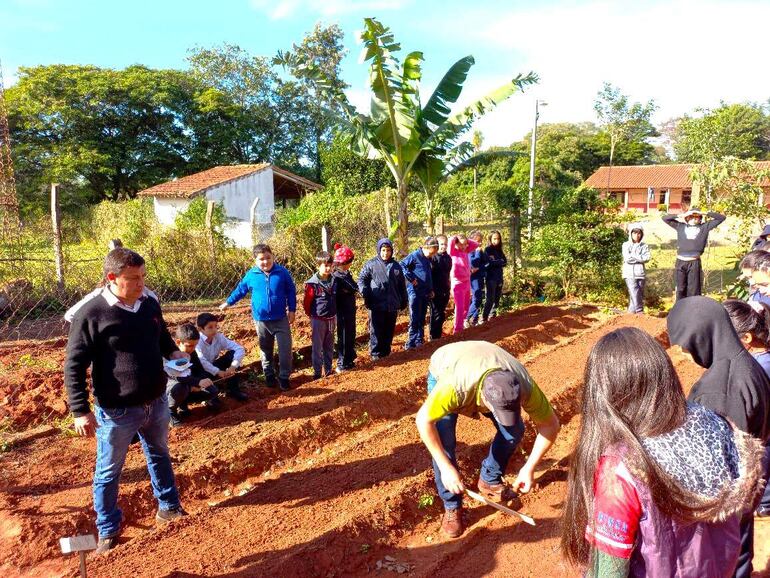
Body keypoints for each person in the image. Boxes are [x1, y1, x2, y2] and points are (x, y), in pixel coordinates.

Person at [561, 327, 765, 578]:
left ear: (604, 391)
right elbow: (748, 491)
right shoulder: (714, 423)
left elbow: (608, 571)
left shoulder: (623, 465)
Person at [64, 248, 187, 554]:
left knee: (159, 454)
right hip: (117, 409)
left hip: (156, 400)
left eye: (143, 276)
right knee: (108, 471)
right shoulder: (91, 313)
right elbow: (74, 365)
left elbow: (161, 337)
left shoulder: (148, 303)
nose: (140, 283)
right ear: (112, 278)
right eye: (133, 278)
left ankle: (169, 507)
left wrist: (173, 353)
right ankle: (108, 528)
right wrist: (80, 410)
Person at [667, 296, 770, 578]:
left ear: (703, 335)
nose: (685, 355)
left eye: (685, 345)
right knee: (740, 552)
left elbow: (712, 463)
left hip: (724, 505)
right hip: (746, 488)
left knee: (725, 561)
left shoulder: (720, 390)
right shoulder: (747, 364)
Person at [415, 340, 560, 538]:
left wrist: (529, 468)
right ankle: (452, 505)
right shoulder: (453, 388)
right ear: (483, 400)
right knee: (444, 440)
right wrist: (446, 468)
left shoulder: (523, 384)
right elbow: (424, 421)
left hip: (486, 360)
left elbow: (550, 425)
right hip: (447, 364)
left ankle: (489, 479)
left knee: (514, 429)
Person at [220, 244, 296, 392]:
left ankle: (284, 377)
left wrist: (292, 310)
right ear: (255, 260)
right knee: (265, 349)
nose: (266, 262)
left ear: (273, 257)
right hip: (261, 320)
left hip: (280, 319)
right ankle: (269, 375)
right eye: (261, 259)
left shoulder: (282, 272)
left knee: (285, 349)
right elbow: (240, 290)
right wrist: (228, 302)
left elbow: (291, 291)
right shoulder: (251, 275)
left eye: (268, 258)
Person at [723, 299, 770, 520]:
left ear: (746, 338)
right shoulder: (762, 360)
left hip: (761, 442)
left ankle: (765, 504)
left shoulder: (756, 369)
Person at [358, 238, 408, 360]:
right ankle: (375, 354)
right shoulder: (371, 264)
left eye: (388, 250)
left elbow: (401, 285)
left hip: (392, 304)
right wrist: (365, 293)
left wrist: (403, 300)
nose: (386, 253)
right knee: (376, 330)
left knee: (389, 330)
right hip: (376, 304)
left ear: (392, 251)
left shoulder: (396, 266)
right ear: (379, 250)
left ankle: (386, 353)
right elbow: (362, 280)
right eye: (383, 250)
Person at [662, 207, 725, 300]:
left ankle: (693, 310)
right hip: (680, 262)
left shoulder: (705, 227)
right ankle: (680, 310)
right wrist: (682, 215)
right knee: (680, 289)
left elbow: (721, 218)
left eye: (697, 216)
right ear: (687, 218)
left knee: (694, 289)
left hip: (694, 262)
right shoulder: (681, 226)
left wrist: (705, 213)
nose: (694, 218)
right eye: (692, 216)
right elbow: (665, 218)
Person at [167, 323, 221, 426]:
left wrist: (202, 381)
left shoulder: (191, 352)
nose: (193, 348)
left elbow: (199, 369)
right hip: (170, 389)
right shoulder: (170, 354)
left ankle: (184, 405)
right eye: (190, 346)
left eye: (195, 345)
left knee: (212, 390)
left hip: (188, 386)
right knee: (180, 388)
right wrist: (197, 382)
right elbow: (178, 377)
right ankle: (170, 412)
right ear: (178, 342)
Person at [194, 312, 247, 401]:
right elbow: (201, 360)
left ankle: (233, 390)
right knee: (215, 405)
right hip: (200, 371)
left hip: (213, 365)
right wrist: (218, 372)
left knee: (232, 354)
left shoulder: (218, 337)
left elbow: (239, 349)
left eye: (216, 326)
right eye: (210, 327)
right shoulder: (197, 340)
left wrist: (233, 367)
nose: (214, 330)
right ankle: (209, 397)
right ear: (200, 329)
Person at [303, 251, 337, 379]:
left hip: (332, 318)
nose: (328, 268)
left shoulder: (334, 280)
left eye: (330, 265)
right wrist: (311, 315)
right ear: (318, 266)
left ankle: (328, 371)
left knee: (329, 346)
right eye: (325, 265)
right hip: (318, 319)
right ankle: (317, 373)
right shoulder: (312, 284)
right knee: (317, 348)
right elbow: (307, 302)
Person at [400, 237, 438, 349]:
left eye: (434, 253)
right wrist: (411, 278)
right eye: (432, 252)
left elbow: (428, 276)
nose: (433, 255)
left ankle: (419, 340)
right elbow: (402, 265)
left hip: (425, 292)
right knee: (415, 317)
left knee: (422, 317)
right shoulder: (415, 255)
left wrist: (430, 289)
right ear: (426, 247)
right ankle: (410, 342)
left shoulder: (428, 259)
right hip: (414, 291)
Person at [332, 244, 358, 373]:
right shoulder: (337, 277)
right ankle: (342, 363)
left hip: (349, 309)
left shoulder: (346, 274)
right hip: (342, 311)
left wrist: (349, 290)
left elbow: (353, 287)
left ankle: (349, 359)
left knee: (350, 334)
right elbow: (353, 287)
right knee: (343, 336)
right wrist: (348, 290)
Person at [448, 233, 478, 334]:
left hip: (467, 281)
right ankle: (457, 329)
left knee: (466, 306)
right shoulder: (453, 251)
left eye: (465, 244)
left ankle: (462, 323)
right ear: (456, 243)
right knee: (459, 307)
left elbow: (476, 244)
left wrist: (465, 241)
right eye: (461, 244)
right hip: (457, 283)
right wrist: (456, 238)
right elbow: (450, 242)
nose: (464, 246)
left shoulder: (466, 250)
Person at [621, 223, 651, 314]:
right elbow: (627, 259)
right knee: (634, 292)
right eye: (634, 233)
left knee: (637, 295)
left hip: (640, 274)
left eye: (639, 233)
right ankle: (639, 311)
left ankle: (630, 315)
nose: (637, 235)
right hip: (629, 273)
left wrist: (633, 256)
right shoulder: (625, 245)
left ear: (641, 234)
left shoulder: (644, 246)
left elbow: (647, 258)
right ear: (631, 234)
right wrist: (639, 258)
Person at [429, 234, 452, 341]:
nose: (443, 246)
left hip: (445, 289)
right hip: (435, 290)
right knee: (436, 313)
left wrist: (449, 288)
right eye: (441, 244)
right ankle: (434, 336)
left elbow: (448, 274)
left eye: (445, 244)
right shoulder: (432, 258)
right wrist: (431, 289)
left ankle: (437, 333)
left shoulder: (448, 258)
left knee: (442, 313)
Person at [482, 230, 507, 322]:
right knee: (490, 299)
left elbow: (505, 262)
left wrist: (497, 261)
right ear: (490, 239)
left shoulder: (499, 250)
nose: (496, 241)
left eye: (498, 239)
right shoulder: (487, 250)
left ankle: (492, 316)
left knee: (497, 298)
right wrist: (499, 261)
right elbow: (489, 263)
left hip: (499, 277)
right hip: (491, 278)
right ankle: (484, 317)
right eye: (494, 239)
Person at [465, 230, 487, 328]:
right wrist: (478, 253)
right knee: (477, 298)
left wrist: (479, 268)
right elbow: (473, 263)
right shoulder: (470, 251)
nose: (480, 243)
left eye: (481, 241)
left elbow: (486, 263)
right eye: (478, 241)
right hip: (472, 279)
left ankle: (474, 320)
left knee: (477, 298)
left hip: (479, 277)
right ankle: (465, 318)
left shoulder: (480, 251)